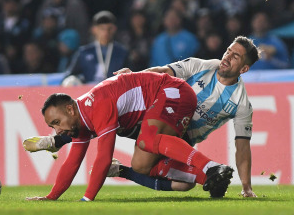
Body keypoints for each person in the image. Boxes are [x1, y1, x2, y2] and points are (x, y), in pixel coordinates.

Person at [23, 71, 234, 201]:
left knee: (146, 141)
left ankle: (210, 167)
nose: (57, 130)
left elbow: (104, 158)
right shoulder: (82, 121)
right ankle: (209, 177)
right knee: (142, 166)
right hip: (161, 103)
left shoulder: (97, 105)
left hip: (172, 90)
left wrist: (87, 198)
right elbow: (72, 162)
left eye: (56, 123)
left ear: (70, 109)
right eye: (52, 126)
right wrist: (51, 197)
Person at [110, 36, 260, 198]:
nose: (227, 57)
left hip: (183, 140)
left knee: (183, 183)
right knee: (136, 154)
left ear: (244, 69)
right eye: (228, 51)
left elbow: (243, 148)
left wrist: (246, 187)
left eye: (235, 56)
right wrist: (134, 76)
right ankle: (211, 169)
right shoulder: (201, 66)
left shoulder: (241, 103)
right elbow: (162, 72)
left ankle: (120, 170)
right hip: (161, 115)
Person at [62, 11, 128, 84]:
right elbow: (69, 76)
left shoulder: (122, 52)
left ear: (114, 29)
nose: (106, 32)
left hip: (114, 91)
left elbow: (131, 75)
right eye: (102, 29)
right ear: (94, 30)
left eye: (109, 28)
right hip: (90, 92)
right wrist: (79, 79)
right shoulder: (84, 52)